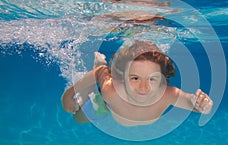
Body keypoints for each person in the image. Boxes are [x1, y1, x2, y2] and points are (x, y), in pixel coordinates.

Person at [62, 40, 213, 126]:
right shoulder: (111, 90)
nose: (144, 87)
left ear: (162, 79)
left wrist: (202, 105)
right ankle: (97, 67)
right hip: (106, 104)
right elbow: (99, 73)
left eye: (152, 79)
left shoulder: (168, 94)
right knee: (78, 118)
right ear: (124, 77)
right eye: (135, 78)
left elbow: (191, 103)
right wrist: (70, 94)